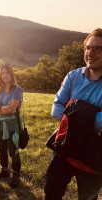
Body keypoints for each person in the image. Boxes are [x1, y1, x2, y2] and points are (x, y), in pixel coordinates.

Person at [44, 28, 102, 200]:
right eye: (88, 48)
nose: (90, 53)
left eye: (97, 48)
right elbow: (57, 106)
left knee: (88, 197)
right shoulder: (73, 77)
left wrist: (75, 117)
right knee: (51, 192)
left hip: (94, 152)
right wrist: (86, 119)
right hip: (65, 145)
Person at [0, 64, 23, 187]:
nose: (4, 75)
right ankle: (4, 170)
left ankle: (15, 174)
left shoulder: (17, 89)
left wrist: (0, 108)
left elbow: (12, 108)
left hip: (12, 126)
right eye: (2, 73)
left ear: (11, 74)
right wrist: (1, 108)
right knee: (2, 150)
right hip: (0, 125)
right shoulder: (0, 90)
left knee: (13, 151)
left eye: (6, 73)